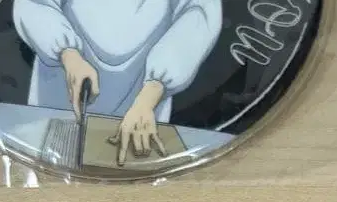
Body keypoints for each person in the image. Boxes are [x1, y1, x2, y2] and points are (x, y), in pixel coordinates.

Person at [12, 0, 223, 165]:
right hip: (59, 99)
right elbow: (34, 4)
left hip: (141, 106)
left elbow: (198, 15)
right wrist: (68, 54)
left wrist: (150, 94)